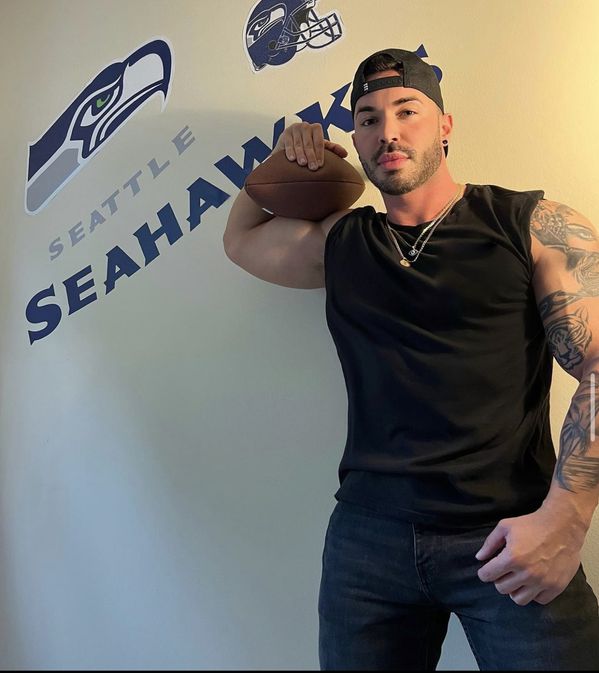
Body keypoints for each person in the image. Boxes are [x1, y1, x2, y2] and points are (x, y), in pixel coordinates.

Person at [223, 48, 599, 670]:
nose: (388, 132)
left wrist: (567, 518)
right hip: (369, 541)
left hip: (508, 532)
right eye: (367, 119)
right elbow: (242, 241)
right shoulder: (345, 242)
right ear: (355, 139)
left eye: (407, 111)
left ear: (445, 124)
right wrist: (278, 166)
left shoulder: (529, 224)